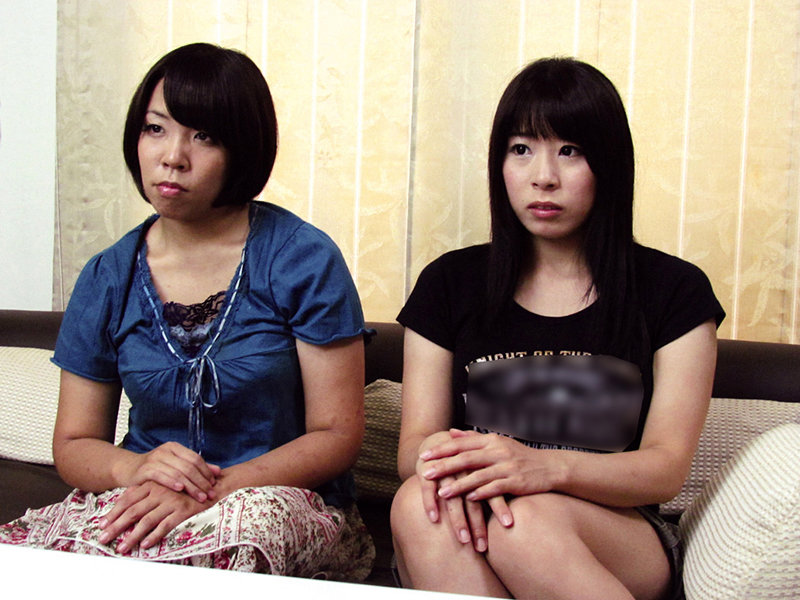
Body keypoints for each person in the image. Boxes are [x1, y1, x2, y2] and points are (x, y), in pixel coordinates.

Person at [0, 42, 374, 580]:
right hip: (148, 493)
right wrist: (136, 468)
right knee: (36, 564)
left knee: (223, 547)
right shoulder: (107, 276)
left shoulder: (303, 259)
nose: (173, 156)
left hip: (280, 500)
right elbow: (75, 443)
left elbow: (336, 435)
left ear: (243, 149)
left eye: (205, 136)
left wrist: (213, 491)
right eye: (156, 128)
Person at [390, 57, 724, 599]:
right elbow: (414, 447)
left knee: (524, 523)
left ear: (608, 164)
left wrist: (541, 468)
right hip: (477, 518)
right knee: (417, 502)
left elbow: (665, 470)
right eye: (521, 149)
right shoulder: (449, 282)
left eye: (570, 151)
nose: (543, 176)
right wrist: (467, 469)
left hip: (616, 532)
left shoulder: (674, 290)